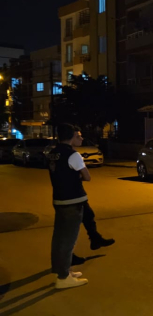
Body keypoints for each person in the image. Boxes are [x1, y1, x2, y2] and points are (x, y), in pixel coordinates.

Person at [48, 124, 91, 289]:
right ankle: (63, 277)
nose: (81, 138)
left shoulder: (53, 153)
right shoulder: (73, 155)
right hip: (73, 201)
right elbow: (87, 176)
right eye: (78, 135)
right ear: (71, 137)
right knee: (68, 241)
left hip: (59, 200)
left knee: (59, 238)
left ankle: (62, 271)